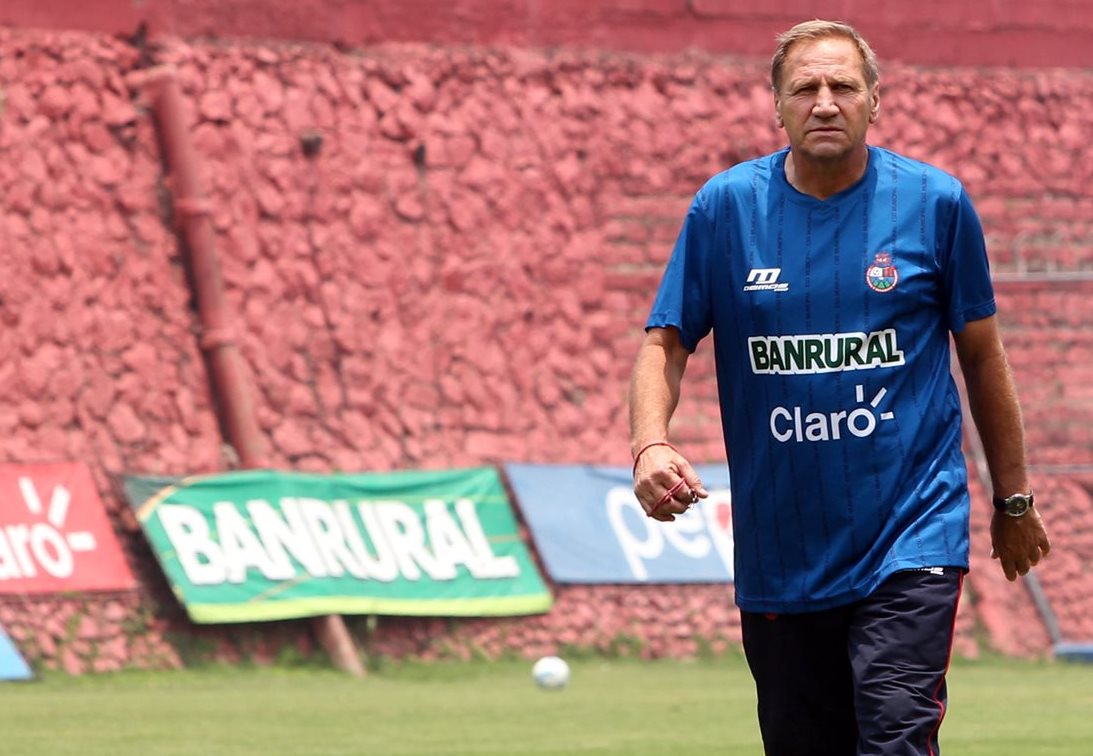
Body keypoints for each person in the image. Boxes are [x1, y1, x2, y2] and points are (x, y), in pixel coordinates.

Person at [628, 19, 1052, 756]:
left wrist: (1011, 500)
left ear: (873, 101)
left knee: (894, 734)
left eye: (842, 87)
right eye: (805, 88)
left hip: (910, 533)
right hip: (781, 549)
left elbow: (982, 358)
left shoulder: (935, 205)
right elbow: (664, 341)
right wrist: (648, 446)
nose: (824, 102)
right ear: (777, 107)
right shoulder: (724, 211)